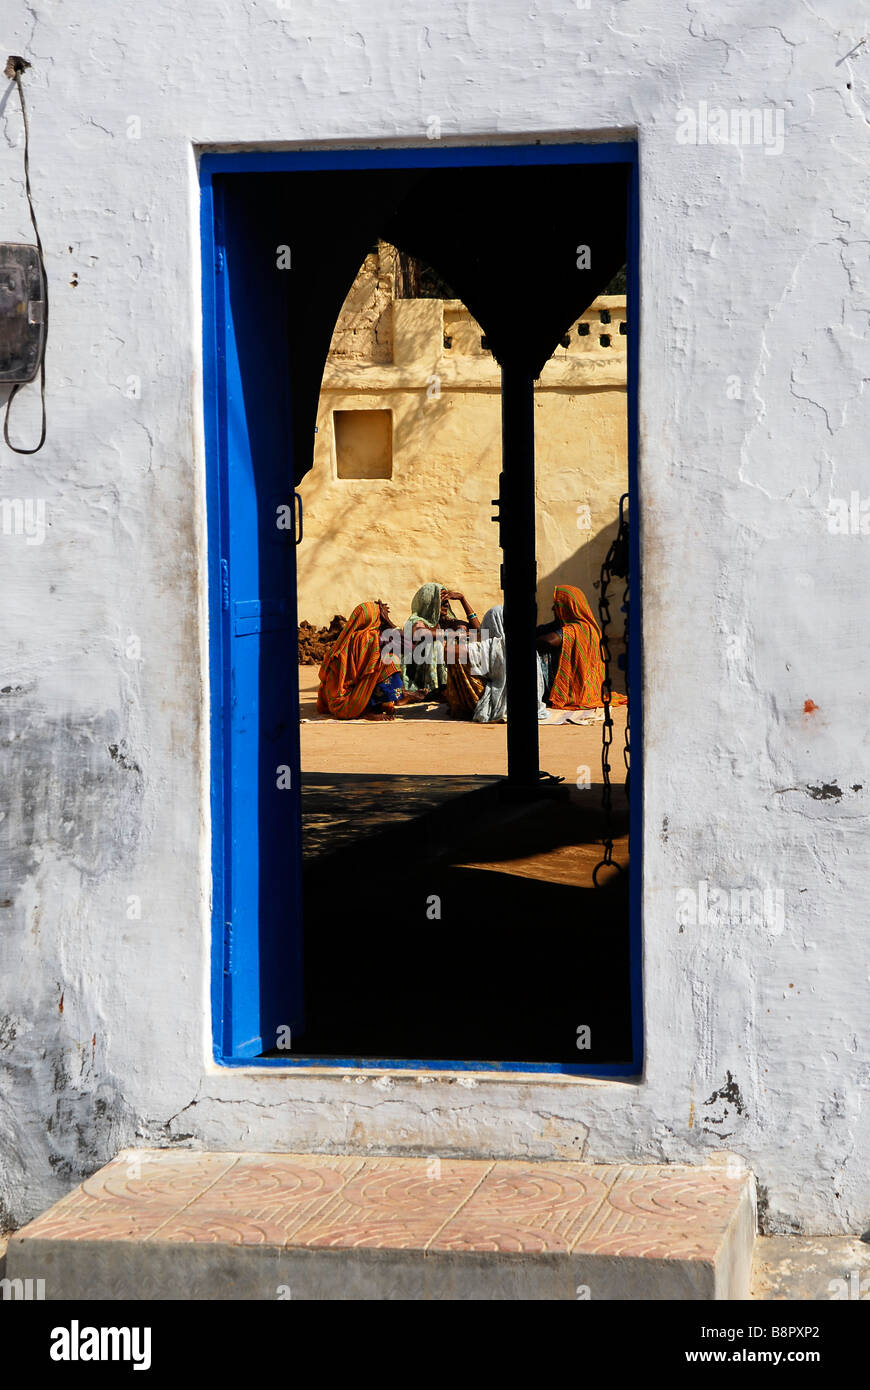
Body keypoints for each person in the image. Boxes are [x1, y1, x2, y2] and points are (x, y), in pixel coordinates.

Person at [317, 600, 415, 721]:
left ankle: (373, 703)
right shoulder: (373, 637)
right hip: (347, 703)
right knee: (390, 659)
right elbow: (409, 646)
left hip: (332, 699)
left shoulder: (344, 641)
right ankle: (368, 710)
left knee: (381, 659)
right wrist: (388, 622)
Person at [536, 584, 627, 710]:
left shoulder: (578, 629)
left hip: (577, 693)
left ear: (567, 608)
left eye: (556, 606)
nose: (553, 609)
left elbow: (549, 642)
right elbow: (543, 630)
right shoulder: (587, 626)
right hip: (591, 690)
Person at [403, 582, 482, 708]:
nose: (446, 605)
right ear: (430, 603)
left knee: (465, 640)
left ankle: (454, 687)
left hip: (454, 672)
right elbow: (418, 633)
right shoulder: (418, 621)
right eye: (442, 602)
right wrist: (450, 635)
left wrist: (462, 599)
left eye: (447, 602)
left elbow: (478, 630)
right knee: (434, 643)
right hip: (422, 673)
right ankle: (437, 689)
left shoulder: (449, 621)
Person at [470, 605, 548, 724]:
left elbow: (452, 651)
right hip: (532, 704)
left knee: (462, 664)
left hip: (505, 705)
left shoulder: (495, 646)